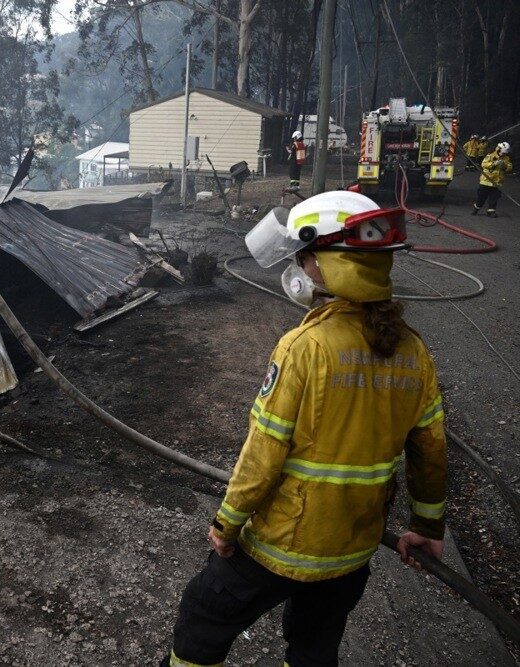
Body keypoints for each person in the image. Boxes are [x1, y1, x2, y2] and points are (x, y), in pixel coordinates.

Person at [162, 191, 447, 667]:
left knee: (202, 619)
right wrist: (427, 526)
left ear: (326, 263)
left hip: (283, 545)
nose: (299, 266)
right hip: (351, 553)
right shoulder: (414, 352)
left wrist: (227, 522)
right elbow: (430, 452)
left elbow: (265, 449)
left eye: (303, 256)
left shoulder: (305, 347)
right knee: (315, 648)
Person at [473, 141, 511, 217]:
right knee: (481, 197)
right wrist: (493, 164)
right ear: (498, 149)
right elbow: (483, 164)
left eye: (505, 153)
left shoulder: (506, 158)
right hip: (486, 181)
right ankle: (476, 209)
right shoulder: (490, 156)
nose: (503, 154)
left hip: (497, 182)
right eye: (502, 152)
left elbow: (510, 167)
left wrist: (505, 166)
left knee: (494, 198)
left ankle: (491, 212)